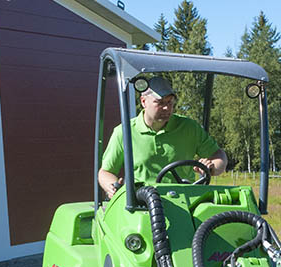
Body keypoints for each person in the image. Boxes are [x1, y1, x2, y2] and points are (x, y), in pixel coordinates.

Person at [98, 76, 228, 198]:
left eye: (170, 102)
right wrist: (112, 187)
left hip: (185, 200)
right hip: (141, 204)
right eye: (159, 102)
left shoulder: (189, 128)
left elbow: (218, 155)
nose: (166, 108)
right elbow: (105, 172)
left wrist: (212, 167)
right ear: (144, 101)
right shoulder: (124, 132)